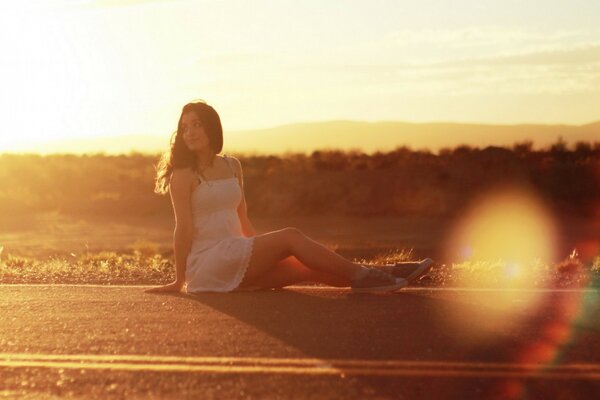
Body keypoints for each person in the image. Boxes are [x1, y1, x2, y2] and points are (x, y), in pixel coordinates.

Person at [146, 101, 433, 294]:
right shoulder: (183, 176)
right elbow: (182, 229)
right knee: (291, 237)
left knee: (306, 268)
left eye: (195, 124)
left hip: (236, 254)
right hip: (208, 264)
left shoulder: (232, 165)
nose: (189, 133)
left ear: (211, 126)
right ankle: (369, 274)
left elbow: (242, 217)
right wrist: (178, 280)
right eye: (184, 128)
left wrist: (259, 250)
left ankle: (388, 276)